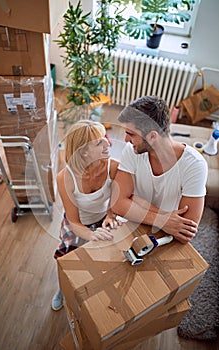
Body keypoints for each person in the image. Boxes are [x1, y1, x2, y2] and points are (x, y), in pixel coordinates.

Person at [111, 96, 208, 244]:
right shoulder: (131, 150)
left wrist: (133, 203)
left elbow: (185, 230)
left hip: (165, 236)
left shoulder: (195, 165)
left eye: (131, 134)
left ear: (152, 136)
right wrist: (163, 219)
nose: (125, 140)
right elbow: (117, 204)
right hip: (136, 224)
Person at [52, 120, 121, 311]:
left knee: (98, 260)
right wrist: (90, 235)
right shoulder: (65, 178)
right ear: (84, 152)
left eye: (105, 137)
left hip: (101, 220)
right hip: (77, 224)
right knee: (67, 260)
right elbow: (73, 220)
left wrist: (110, 215)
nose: (108, 143)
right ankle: (62, 289)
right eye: (99, 142)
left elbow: (116, 199)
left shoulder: (113, 167)